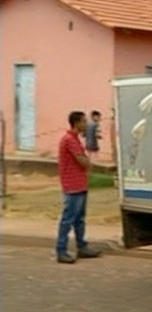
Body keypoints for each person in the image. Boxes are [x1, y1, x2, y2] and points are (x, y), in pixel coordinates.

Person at [56, 111, 102, 264]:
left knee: (79, 219)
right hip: (72, 185)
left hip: (80, 183)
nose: (86, 124)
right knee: (68, 219)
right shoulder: (69, 140)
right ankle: (61, 250)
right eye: (84, 121)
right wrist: (88, 163)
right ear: (76, 123)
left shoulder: (75, 139)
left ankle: (82, 246)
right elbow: (82, 160)